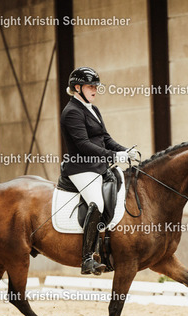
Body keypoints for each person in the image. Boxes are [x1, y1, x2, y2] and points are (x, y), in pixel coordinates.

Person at [60, 67, 139, 275]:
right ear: (78, 88)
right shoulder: (71, 112)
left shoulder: (93, 109)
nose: (95, 90)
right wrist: (113, 156)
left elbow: (105, 138)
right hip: (81, 167)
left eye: (96, 86)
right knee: (97, 202)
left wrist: (125, 151)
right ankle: (87, 258)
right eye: (90, 86)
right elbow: (84, 145)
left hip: (98, 165)